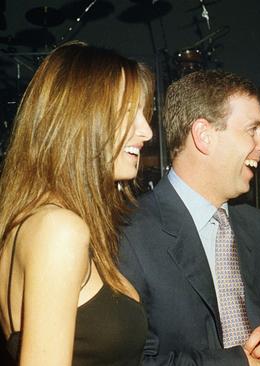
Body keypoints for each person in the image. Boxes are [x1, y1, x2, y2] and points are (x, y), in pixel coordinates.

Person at [119, 70, 260, 365]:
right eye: (252, 130)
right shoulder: (128, 232)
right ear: (204, 136)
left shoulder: (258, 226)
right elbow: (132, 361)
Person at [0, 41, 154, 365]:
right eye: (129, 113)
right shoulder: (59, 230)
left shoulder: (37, 222)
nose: (146, 131)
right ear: (81, 117)